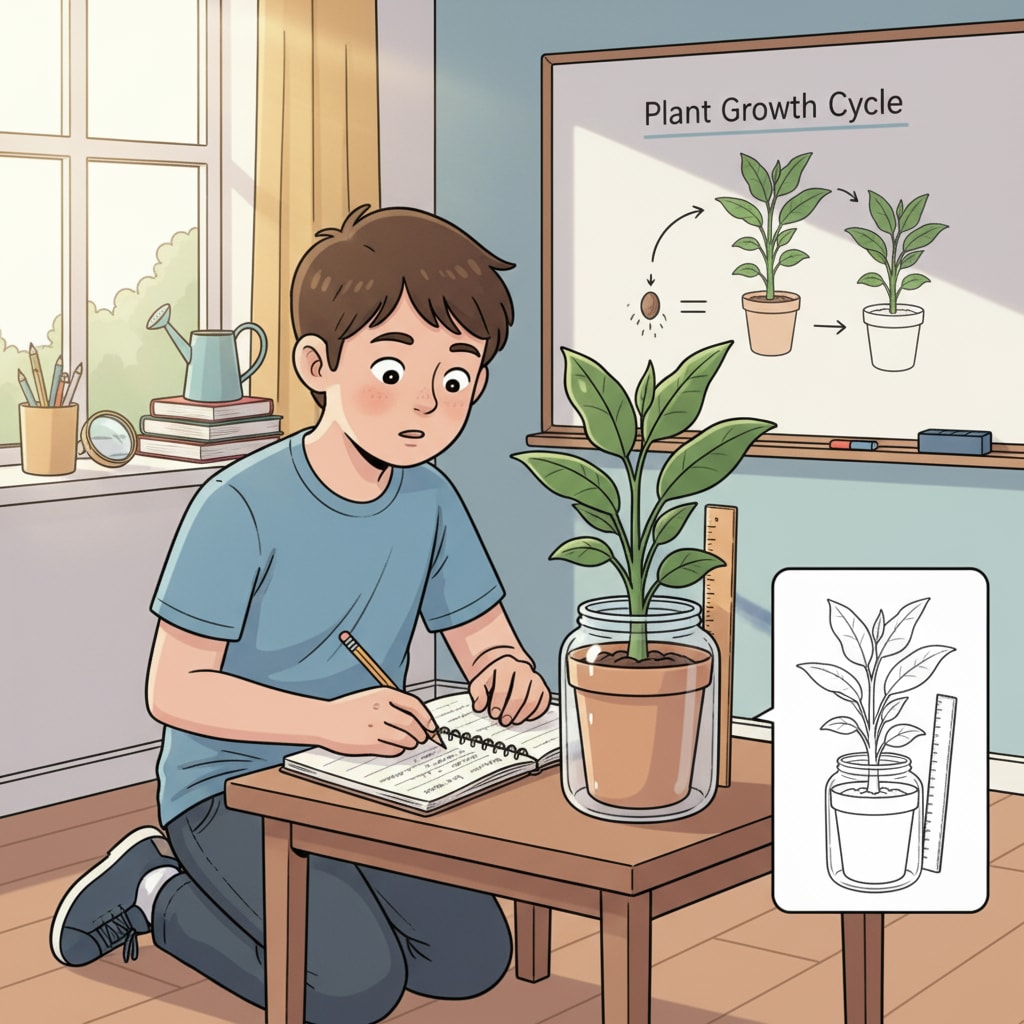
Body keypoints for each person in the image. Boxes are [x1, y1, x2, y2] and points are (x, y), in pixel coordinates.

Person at [50, 205, 552, 1024]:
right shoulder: (239, 505)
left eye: (454, 378)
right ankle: (153, 885)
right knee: (353, 991)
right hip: (234, 787)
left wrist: (507, 672)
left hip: (370, 776)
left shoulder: (430, 498)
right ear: (317, 364)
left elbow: (483, 636)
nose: (425, 404)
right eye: (393, 372)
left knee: (470, 962)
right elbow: (175, 689)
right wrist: (329, 721)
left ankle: (317, 894)